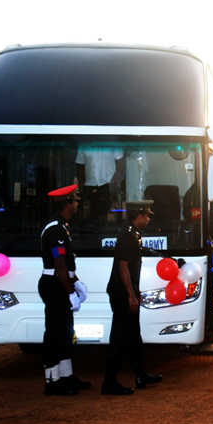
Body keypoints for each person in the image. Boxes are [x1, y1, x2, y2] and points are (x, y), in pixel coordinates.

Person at [102, 201, 163, 395]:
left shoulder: (133, 234)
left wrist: (135, 292)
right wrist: (131, 295)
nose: (149, 219)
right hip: (122, 294)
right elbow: (123, 267)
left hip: (127, 292)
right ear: (140, 216)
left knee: (134, 336)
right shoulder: (128, 236)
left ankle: (140, 375)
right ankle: (109, 382)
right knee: (120, 338)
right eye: (147, 216)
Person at [39, 185, 90, 396]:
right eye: (75, 201)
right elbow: (59, 265)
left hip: (60, 282)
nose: (78, 204)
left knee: (66, 332)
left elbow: (66, 266)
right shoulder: (56, 230)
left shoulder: (62, 226)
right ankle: (52, 381)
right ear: (68, 205)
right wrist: (70, 293)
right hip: (54, 286)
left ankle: (66, 376)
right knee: (55, 333)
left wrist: (76, 282)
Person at [76, 146, 124, 225]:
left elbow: (121, 161)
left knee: (108, 212)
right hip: (90, 185)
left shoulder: (112, 142)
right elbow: (80, 164)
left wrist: (117, 176)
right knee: (93, 214)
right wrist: (81, 182)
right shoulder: (84, 144)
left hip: (109, 185)